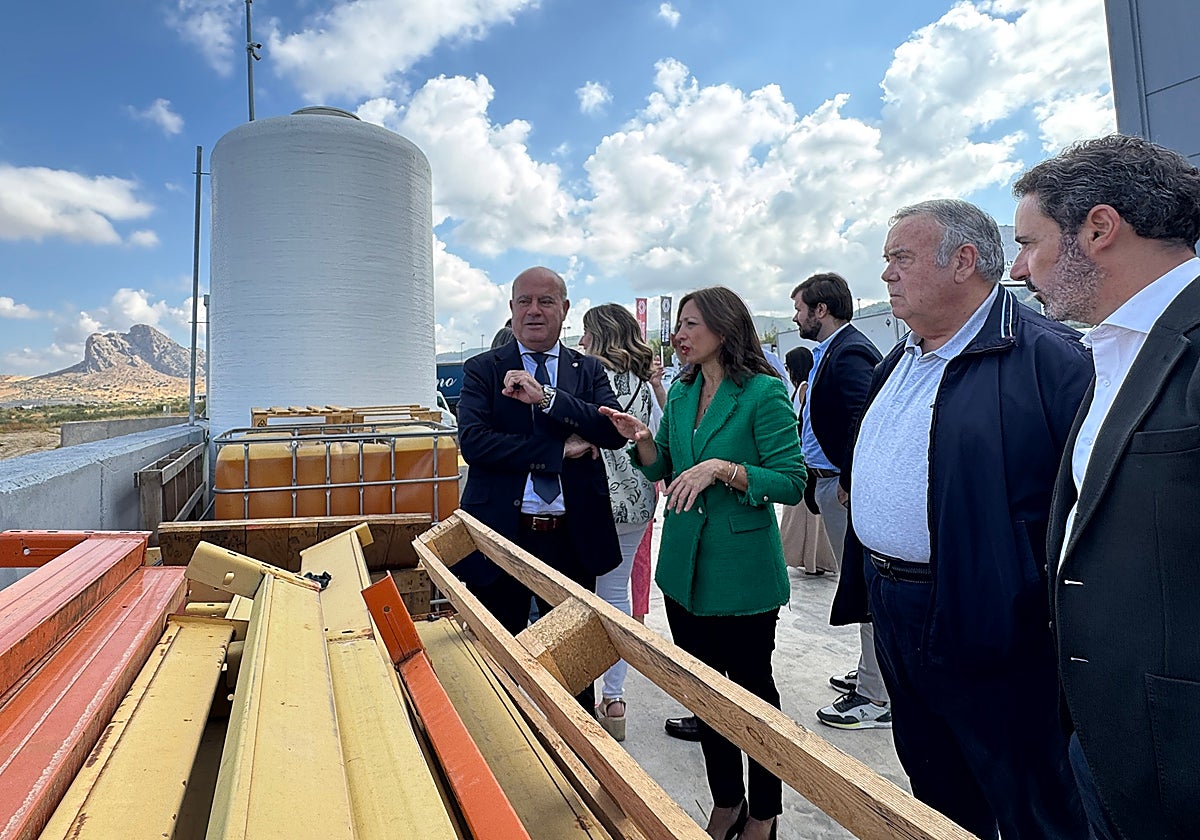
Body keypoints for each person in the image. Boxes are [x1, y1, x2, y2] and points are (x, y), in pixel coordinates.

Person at [830, 199, 1092, 840]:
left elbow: (1086, 504)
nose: (887, 273)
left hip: (994, 616)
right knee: (934, 784)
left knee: (1028, 794)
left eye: (901, 257)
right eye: (887, 260)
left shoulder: (1051, 358)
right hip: (895, 603)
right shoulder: (902, 358)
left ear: (964, 262)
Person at [1011, 135, 1200, 840]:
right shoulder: (1113, 348)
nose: (1019, 267)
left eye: (1030, 243)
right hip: (1105, 738)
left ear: (1098, 228)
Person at [603, 286, 805, 840]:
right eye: (680, 325)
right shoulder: (683, 390)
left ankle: (764, 810)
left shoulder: (762, 394)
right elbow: (661, 466)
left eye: (691, 324)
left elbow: (791, 480)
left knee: (753, 698)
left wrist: (724, 468)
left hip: (742, 574)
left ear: (723, 328)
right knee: (703, 696)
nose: (679, 335)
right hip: (683, 572)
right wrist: (642, 438)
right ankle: (726, 800)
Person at [455, 267, 627, 712]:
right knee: (497, 660)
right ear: (511, 309)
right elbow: (475, 443)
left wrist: (549, 398)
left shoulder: (587, 370)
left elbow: (610, 432)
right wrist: (556, 451)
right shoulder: (481, 371)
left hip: (572, 539)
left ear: (564, 310)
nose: (534, 311)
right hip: (500, 538)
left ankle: (576, 759)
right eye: (524, 301)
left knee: (571, 666)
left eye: (546, 301)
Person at [790, 272, 889, 729]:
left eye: (800, 309)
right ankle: (873, 673)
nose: (796, 317)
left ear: (821, 310)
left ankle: (877, 695)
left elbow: (860, 423)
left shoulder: (849, 354)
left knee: (866, 589)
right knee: (857, 584)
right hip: (830, 481)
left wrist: (850, 479)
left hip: (844, 486)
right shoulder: (833, 351)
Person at [580, 303, 660, 742]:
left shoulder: (586, 375)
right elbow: (657, 434)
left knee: (582, 597)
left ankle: (584, 686)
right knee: (617, 597)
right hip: (637, 502)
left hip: (593, 501)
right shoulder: (644, 383)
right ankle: (615, 698)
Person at [778, 347, 836, 576]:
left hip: (805, 460)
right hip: (803, 459)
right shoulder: (803, 388)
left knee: (807, 515)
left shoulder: (804, 389)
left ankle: (813, 560)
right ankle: (811, 559)